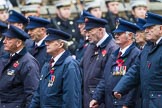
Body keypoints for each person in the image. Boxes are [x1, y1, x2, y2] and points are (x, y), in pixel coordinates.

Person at [113, 12, 162, 108]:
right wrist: (120, 88)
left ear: (160, 29)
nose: (146, 31)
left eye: (150, 28)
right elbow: (135, 70)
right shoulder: (148, 48)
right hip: (148, 101)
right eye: (146, 28)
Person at [89, 18, 141, 108]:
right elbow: (105, 79)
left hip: (123, 104)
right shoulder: (114, 54)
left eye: (120, 34)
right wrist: (96, 98)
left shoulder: (136, 54)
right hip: (110, 103)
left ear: (130, 35)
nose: (116, 36)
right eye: (115, 34)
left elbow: (135, 84)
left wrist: (127, 104)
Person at [30, 28, 82, 108]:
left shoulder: (70, 65)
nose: (46, 44)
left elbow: (70, 97)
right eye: (46, 41)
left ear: (61, 44)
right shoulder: (48, 64)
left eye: (50, 41)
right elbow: (38, 93)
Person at [81, 16, 119, 108]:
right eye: (86, 32)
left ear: (100, 30)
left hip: (100, 101)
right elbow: (81, 67)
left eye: (90, 31)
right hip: (87, 99)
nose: (87, 35)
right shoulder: (91, 46)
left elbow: (108, 79)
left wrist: (97, 98)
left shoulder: (112, 48)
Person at [0, 25, 40, 108]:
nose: (4, 41)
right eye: (5, 38)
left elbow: (32, 93)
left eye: (8, 39)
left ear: (18, 43)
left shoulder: (28, 62)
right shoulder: (6, 57)